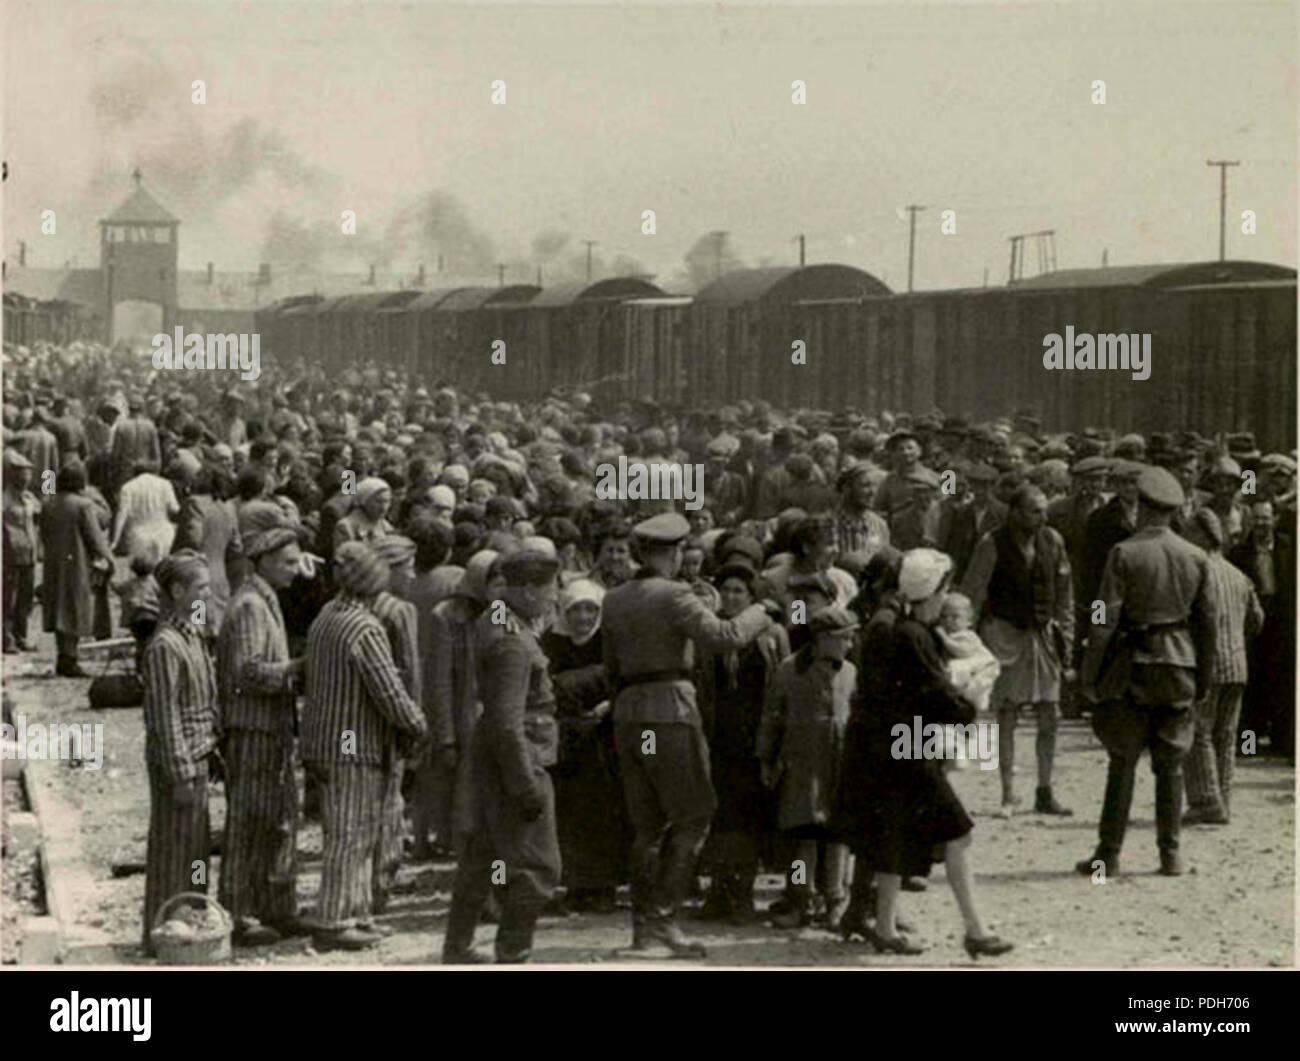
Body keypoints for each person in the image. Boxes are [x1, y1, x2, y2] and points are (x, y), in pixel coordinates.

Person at [601, 511, 775, 958]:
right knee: (695, 815)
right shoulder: (675, 594)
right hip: (670, 714)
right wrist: (763, 610)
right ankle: (663, 921)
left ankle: (642, 930)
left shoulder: (615, 598)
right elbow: (726, 634)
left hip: (630, 717)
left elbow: (611, 666)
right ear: (675, 552)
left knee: (646, 826)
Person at [842, 548, 1013, 958]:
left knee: (892, 836)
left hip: (892, 748)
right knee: (959, 832)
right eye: (943, 589)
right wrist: (969, 705)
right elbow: (941, 697)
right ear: (932, 591)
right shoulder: (915, 636)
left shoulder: (899, 629)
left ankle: (885, 926)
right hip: (910, 750)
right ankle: (974, 929)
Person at [1078, 466, 1217, 878]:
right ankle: (1170, 854)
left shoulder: (1123, 553)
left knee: (1123, 761)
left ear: (1141, 507)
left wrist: (1089, 670)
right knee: (1170, 765)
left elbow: (1103, 617)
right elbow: (1206, 624)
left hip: (1131, 666)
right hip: (1180, 666)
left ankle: (1109, 854)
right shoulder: (1195, 556)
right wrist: (1204, 678)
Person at [302, 541, 428, 951]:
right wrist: (417, 723)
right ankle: (336, 918)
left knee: (344, 830)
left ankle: (354, 912)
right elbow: (388, 691)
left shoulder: (326, 616)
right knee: (352, 835)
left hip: (323, 739)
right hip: (353, 744)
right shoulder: (365, 627)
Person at [442, 550, 563, 964]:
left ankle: (457, 949)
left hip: (493, 760)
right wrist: (525, 786)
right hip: (519, 758)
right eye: (550, 589)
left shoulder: (495, 619)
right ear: (528, 590)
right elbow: (507, 722)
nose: (554, 597)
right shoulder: (513, 641)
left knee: (484, 856)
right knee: (538, 867)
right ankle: (513, 952)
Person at [216, 526, 305, 946]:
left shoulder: (264, 599)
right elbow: (247, 671)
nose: (296, 570)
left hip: (270, 728)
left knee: (277, 820)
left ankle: (274, 905)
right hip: (252, 730)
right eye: (288, 562)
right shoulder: (250, 605)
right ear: (264, 561)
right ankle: (238, 912)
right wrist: (297, 671)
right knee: (249, 823)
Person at [962, 484, 1074, 817]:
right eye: (1033, 511)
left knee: (1049, 715)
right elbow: (973, 593)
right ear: (1015, 512)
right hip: (1004, 636)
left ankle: (1044, 790)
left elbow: (1066, 594)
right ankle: (1009, 794)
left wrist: (1066, 636)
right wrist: (971, 646)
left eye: (1044, 511)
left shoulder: (1053, 541)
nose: (1041, 517)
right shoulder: (991, 544)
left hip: (1041, 636)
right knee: (1007, 715)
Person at [696, 561, 788, 924]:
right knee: (719, 817)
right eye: (728, 590)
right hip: (720, 736)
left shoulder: (772, 633)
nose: (732, 597)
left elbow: (780, 686)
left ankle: (743, 895)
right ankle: (718, 891)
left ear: (752, 598)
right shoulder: (711, 632)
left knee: (750, 818)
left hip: (755, 737)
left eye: (740, 591)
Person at [757, 605, 857, 930]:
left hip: (839, 765)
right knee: (804, 836)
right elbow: (772, 716)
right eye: (844, 638)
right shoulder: (790, 670)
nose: (849, 644)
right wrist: (766, 758)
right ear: (823, 639)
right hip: (802, 766)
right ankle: (800, 896)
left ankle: (835, 899)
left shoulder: (850, 672)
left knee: (838, 834)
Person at [141, 550, 219, 954]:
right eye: (201, 587)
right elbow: (165, 717)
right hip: (180, 763)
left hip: (198, 755)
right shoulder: (165, 646)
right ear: (177, 590)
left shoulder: (193, 633)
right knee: (174, 850)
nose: (209, 593)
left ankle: (188, 924)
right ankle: (164, 933)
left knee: (194, 850)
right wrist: (181, 772)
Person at [540, 578, 630, 913]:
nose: (583, 617)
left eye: (591, 609)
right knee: (572, 813)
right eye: (576, 610)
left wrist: (607, 706)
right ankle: (576, 885)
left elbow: (623, 682)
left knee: (606, 811)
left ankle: (604, 887)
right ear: (565, 611)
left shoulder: (611, 641)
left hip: (605, 737)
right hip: (569, 739)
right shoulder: (552, 643)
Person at [1181, 509, 1263, 825]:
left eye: (1189, 531)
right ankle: (1223, 799)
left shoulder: (1198, 571)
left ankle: (1205, 801)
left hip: (1208, 665)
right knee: (1227, 735)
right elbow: (1257, 620)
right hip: (1237, 665)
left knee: (1198, 731)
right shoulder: (1238, 574)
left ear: (1203, 534)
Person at [39, 460, 115, 676]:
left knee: (58, 607)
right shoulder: (83, 505)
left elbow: (43, 533)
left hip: (54, 562)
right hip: (77, 562)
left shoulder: (48, 504)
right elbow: (95, 536)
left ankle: (63, 655)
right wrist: (108, 559)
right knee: (73, 607)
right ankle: (70, 659)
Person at [173, 465, 242, 633]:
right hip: (220, 581)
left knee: (195, 630)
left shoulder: (194, 503)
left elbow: (193, 539)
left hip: (196, 581)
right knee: (215, 633)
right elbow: (236, 547)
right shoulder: (228, 508)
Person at [934, 592, 1001, 715]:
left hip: (978, 677)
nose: (948, 621)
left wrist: (945, 639)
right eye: (943, 617)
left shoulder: (967, 636)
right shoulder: (951, 635)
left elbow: (963, 651)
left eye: (955, 617)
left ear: (969, 622)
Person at [2, 449, 40, 653]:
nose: (26, 478)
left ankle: (20, 635)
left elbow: (41, 509)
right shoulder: (51, 440)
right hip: (11, 554)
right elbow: (50, 470)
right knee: (9, 597)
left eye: (28, 474)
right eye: (22, 475)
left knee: (25, 597)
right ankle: (7, 637)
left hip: (28, 552)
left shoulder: (29, 496)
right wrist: (50, 491)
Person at [112, 459, 181, 564]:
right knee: (164, 569)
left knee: (141, 571)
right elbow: (175, 509)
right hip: (164, 533)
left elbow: (121, 515)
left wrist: (115, 540)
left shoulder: (128, 487)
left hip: (139, 536)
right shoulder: (165, 484)